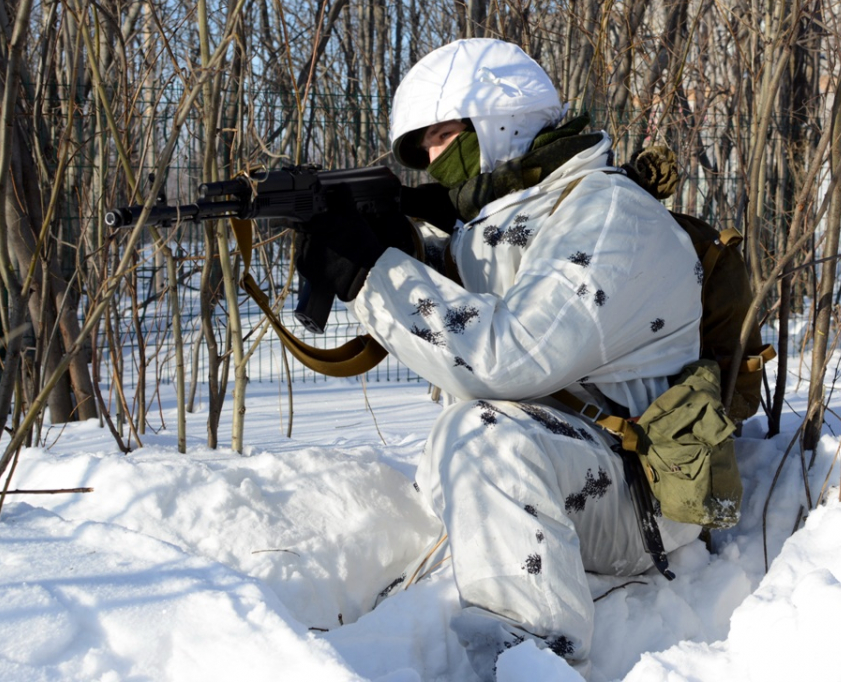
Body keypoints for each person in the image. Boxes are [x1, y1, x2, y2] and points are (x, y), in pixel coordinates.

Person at [295, 38, 703, 680]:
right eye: (423, 144)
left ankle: (529, 661)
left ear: (501, 123)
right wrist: (392, 250)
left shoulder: (608, 217)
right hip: (576, 462)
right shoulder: (517, 219)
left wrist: (374, 275)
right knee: (466, 444)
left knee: (479, 438)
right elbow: (481, 300)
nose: (433, 159)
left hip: (646, 491)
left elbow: (508, 357)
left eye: (443, 135)